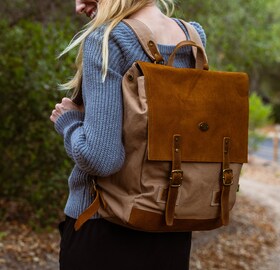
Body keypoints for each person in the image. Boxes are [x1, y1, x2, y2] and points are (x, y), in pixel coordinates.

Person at [50, 0, 206, 269]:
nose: (78, 7)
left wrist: (69, 123)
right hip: (172, 227)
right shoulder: (192, 37)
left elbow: (102, 159)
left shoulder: (108, 38)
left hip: (106, 225)